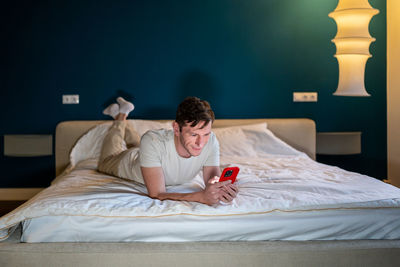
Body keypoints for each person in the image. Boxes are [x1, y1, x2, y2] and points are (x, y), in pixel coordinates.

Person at [98, 96, 238, 205]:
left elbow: (211, 180)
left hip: (149, 155)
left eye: (205, 134)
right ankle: (120, 119)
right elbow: (157, 194)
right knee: (105, 160)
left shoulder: (211, 141)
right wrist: (201, 197)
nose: (200, 143)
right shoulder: (153, 140)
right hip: (128, 162)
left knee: (139, 145)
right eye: (194, 134)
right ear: (176, 129)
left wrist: (220, 189)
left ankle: (122, 113)